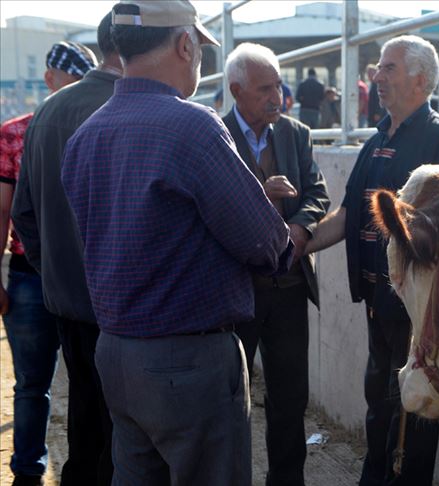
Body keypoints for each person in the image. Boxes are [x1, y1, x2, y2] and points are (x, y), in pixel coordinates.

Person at [59, 2, 294, 484]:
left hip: (117, 352)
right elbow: (266, 244)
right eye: (199, 47)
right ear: (186, 45)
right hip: (188, 363)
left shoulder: (86, 135)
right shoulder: (193, 125)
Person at [305, 35, 439, 486]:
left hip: (417, 309)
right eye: (379, 67)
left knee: (413, 409)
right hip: (378, 301)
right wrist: (297, 242)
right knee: (379, 400)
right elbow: (347, 213)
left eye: (388, 67)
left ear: (420, 78)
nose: (377, 76)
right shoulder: (376, 139)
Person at [222, 42, 330, 486]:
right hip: (237, 292)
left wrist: (300, 233)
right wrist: (259, 199)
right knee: (231, 401)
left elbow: (318, 194)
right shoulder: (215, 135)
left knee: (290, 399)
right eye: (265, 88)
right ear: (235, 90)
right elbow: (213, 208)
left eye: (279, 86)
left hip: (287, 287)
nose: (276, 97)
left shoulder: (296, 134)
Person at [9, 30, 111, 486]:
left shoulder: (46, 118)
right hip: (62, 285)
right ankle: (34, 470)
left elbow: (21, 212)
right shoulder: (15, 132)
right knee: (41, 388)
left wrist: (52, 269)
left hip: (63, 287)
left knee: (84, 399)